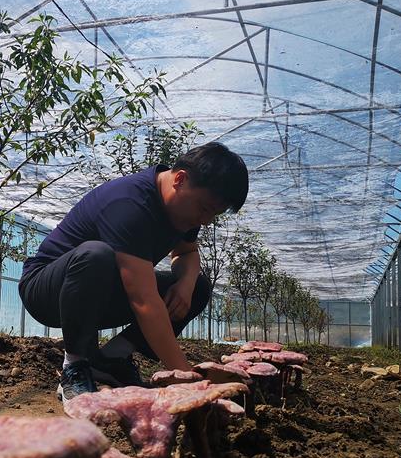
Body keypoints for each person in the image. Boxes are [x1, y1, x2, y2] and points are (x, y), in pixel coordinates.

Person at [19, 142, 249, 403]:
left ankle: (110, 359)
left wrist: (185, 284)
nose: (205, 220)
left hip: (100, 294)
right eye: (205, 209)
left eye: (213, 214)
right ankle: (74, 366)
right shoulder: (130, 203)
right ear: (180, 179)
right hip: (47, 289)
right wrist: (187, 379)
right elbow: (143, 301)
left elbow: (186, 253)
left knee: (198, 285)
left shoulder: (184, 210)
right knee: (97, 255)